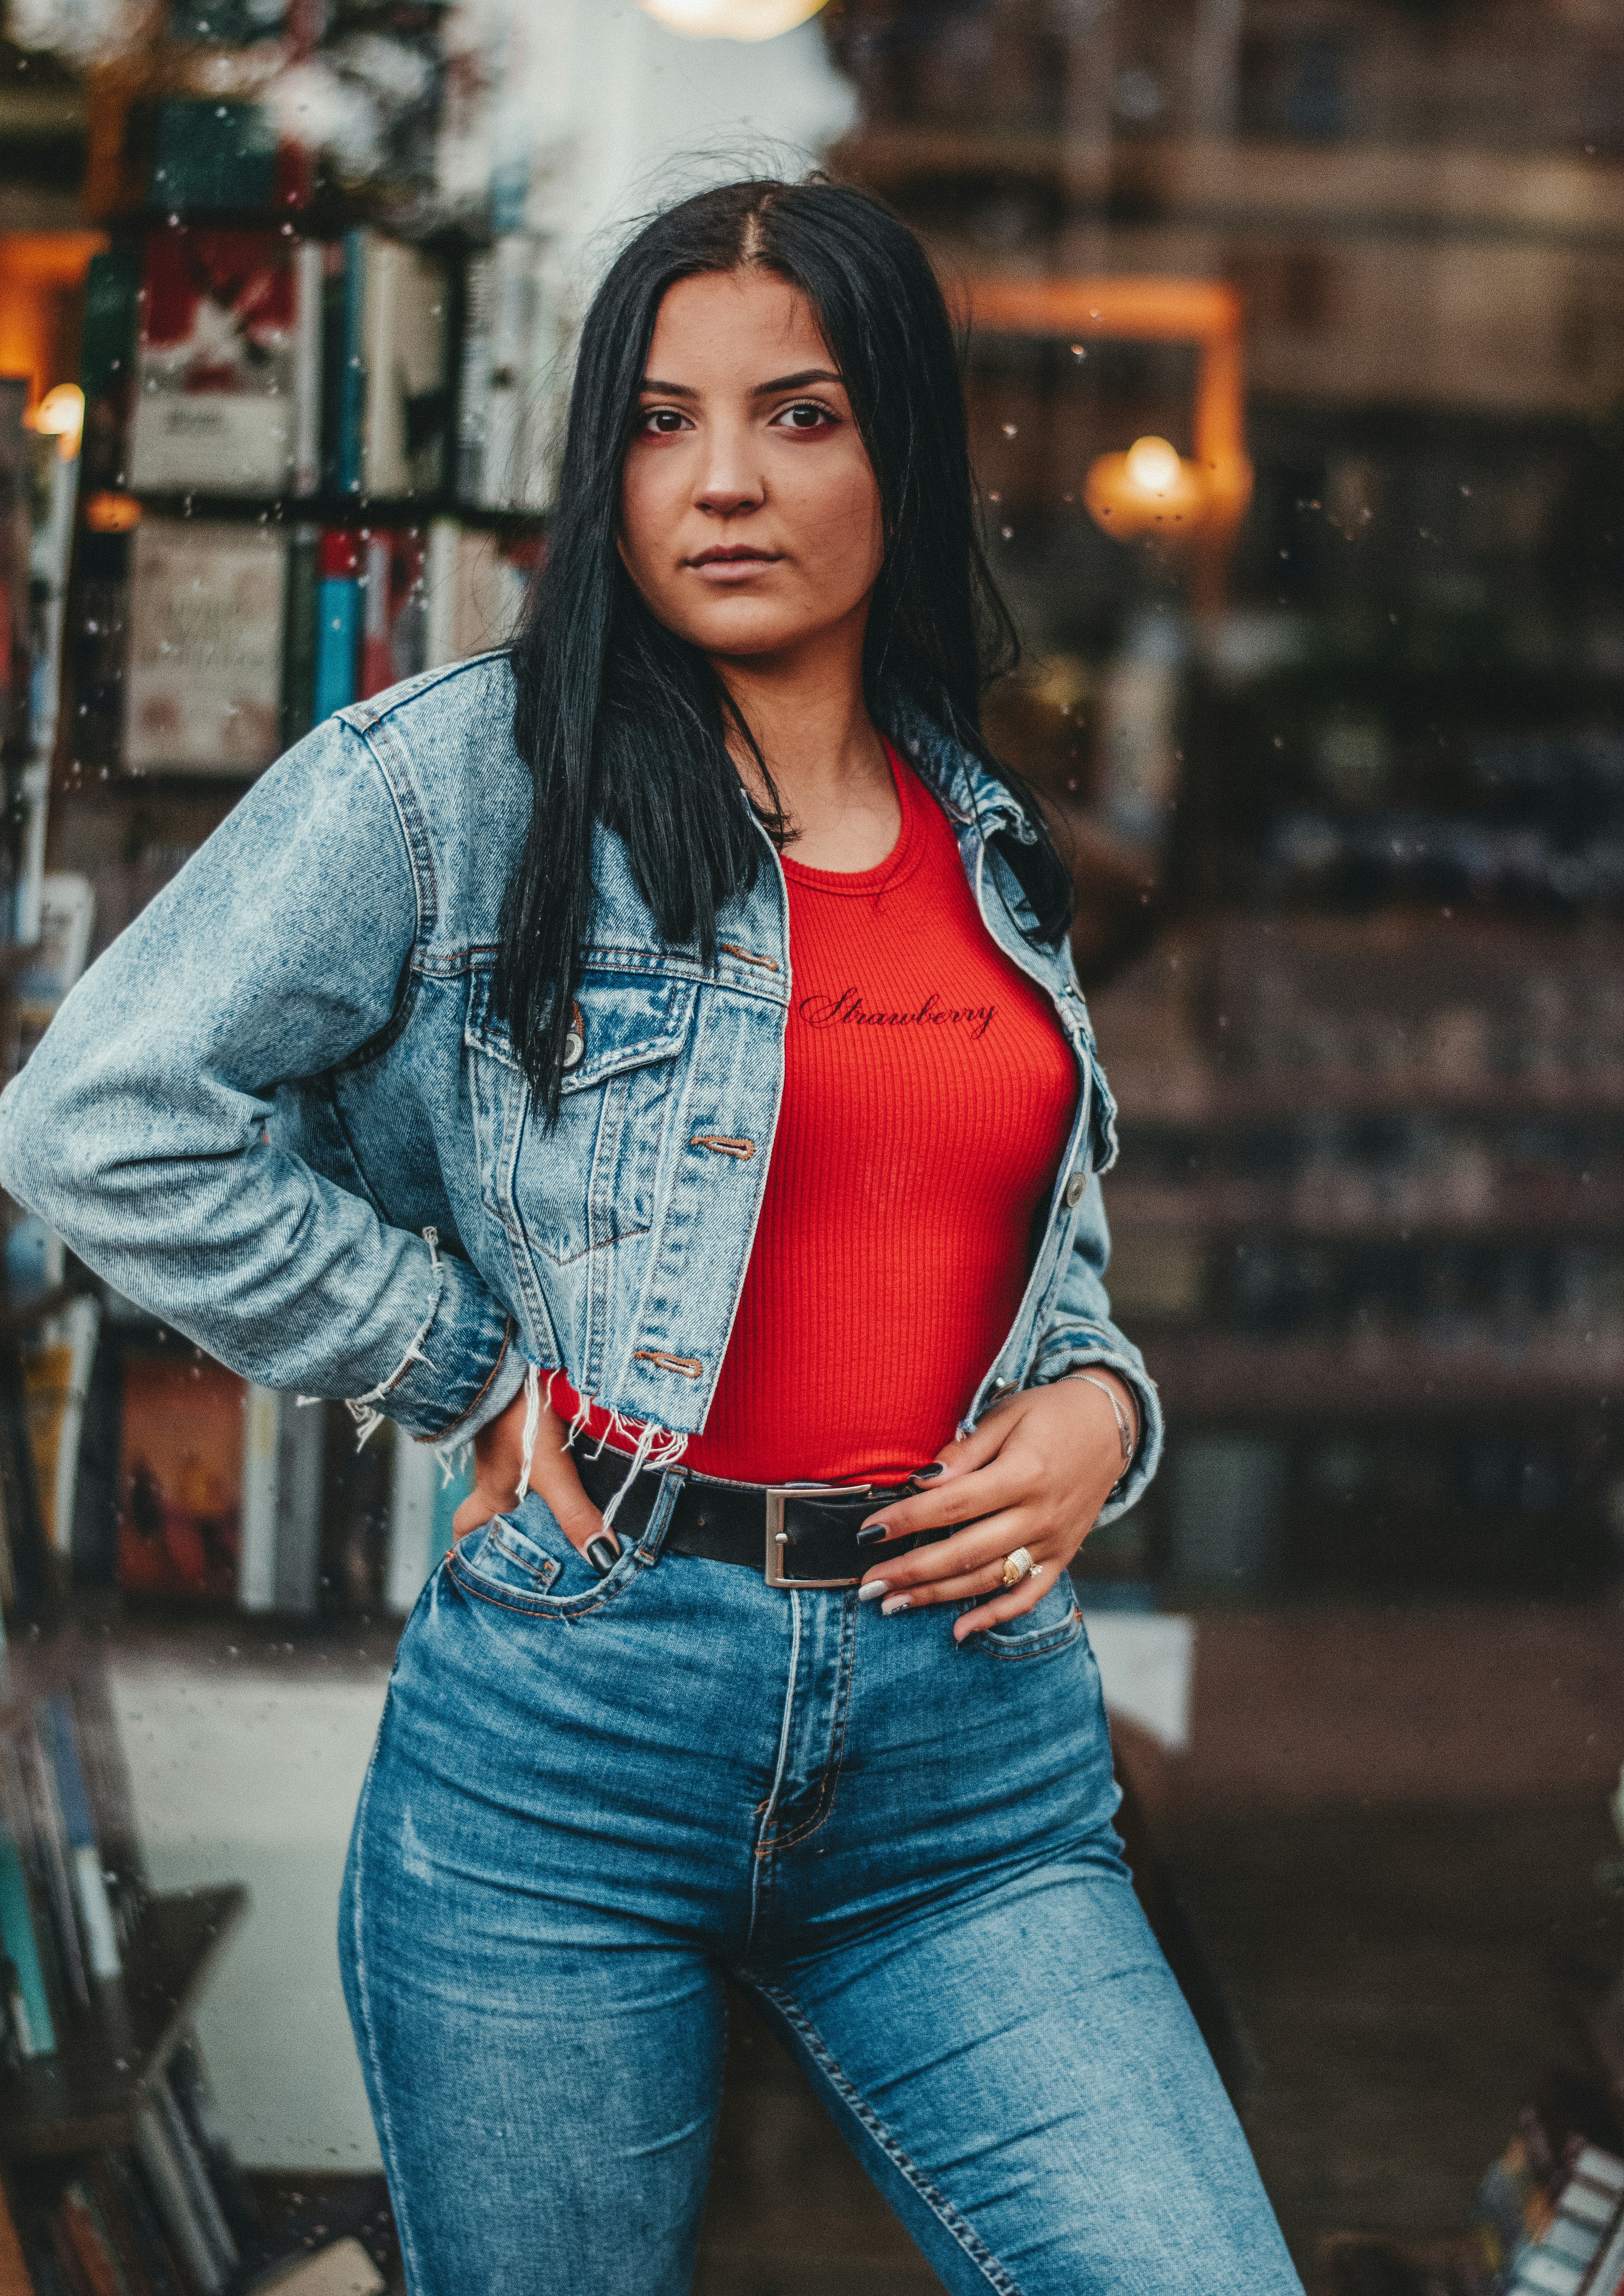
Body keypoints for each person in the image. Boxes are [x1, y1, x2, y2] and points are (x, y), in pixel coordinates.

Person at [0, 177, 1302, 2296]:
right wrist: (459, 1368)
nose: (718, 482)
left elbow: (1007, 1241)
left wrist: (1098, 1407)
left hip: (972, 1768)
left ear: (903, 442)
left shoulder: (992, 834)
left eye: (797, 417)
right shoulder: (462, 786)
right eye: (658, 420)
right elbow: (97, 1121)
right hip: (572, 1758)